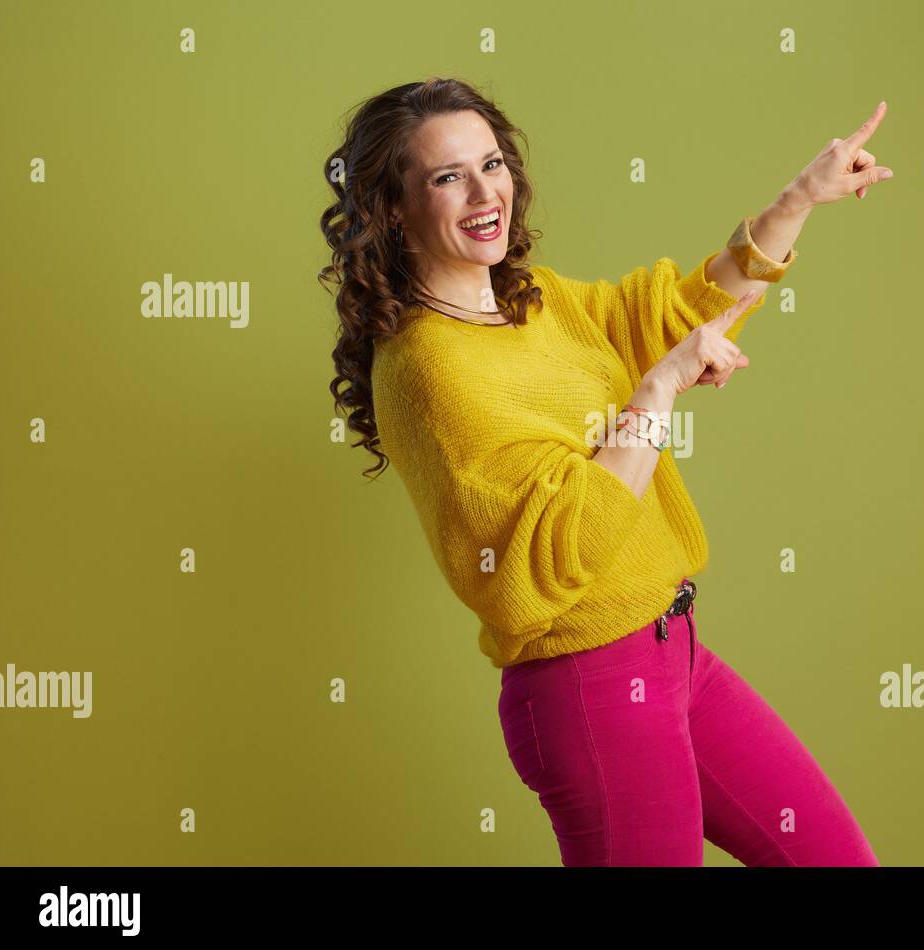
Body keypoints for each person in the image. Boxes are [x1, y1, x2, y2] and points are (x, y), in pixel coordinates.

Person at [320, 77, 893, 866]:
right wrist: (657, 390)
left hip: (675, 652)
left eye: (493, 164)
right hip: (592, 690)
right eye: (448, 177)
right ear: (392, 207)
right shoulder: (430, 370)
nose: (486, 192)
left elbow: (672, 315)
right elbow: (562, 545)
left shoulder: (533, 301)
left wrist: (798, 199)